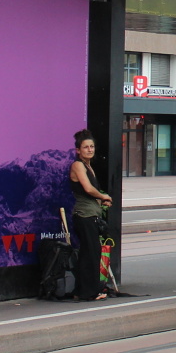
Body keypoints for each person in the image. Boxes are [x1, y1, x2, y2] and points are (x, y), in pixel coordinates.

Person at [70, 129, 113, 302]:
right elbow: (88, 189)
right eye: (86, 147)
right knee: (91, 254)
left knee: (89, 253)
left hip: (90, 215)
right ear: (78, 150)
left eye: (92, 146)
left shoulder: (88, 167)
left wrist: (101, 201)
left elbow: (89, 192)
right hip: (84, 216)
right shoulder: (78, 165)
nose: (90, 149)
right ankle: (89, 292)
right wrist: (104, 196)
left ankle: (80, 291)